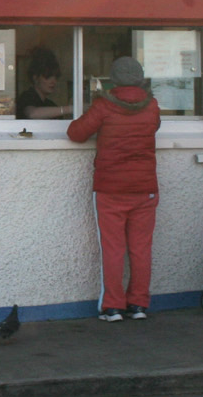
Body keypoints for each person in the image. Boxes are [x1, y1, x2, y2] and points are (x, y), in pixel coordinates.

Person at [68, 56, 162, 322]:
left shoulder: (103, 106)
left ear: (114, 80)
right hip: (145, 188)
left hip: (111, 188)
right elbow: (153, 126)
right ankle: (139, 305)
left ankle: (113, 307)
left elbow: (76, 133)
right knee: (141, 249)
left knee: (113, 248)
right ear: (140, 78)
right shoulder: (152, 106)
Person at [15, 47, 73, 120]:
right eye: (47, 77)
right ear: (35, 78)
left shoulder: (50, 105)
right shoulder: (27, 97)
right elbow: (32, 114)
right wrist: (70, 109)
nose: (53, 81)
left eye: (55, 77)